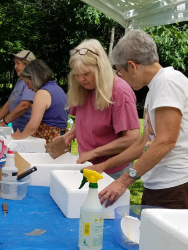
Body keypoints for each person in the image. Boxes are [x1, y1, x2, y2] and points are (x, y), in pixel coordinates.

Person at [89, 30, 188, 210]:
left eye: (120, 71)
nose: (120, 77)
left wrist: (123, 181)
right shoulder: (157, 86)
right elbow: (145, 142)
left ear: (132, 65)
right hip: (161, 187)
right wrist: (103, 165)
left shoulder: (168, 83)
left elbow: (165, 141)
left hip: (177, 189)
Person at [58, 39, 140, 179]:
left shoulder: (120, 91)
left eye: (86, 73)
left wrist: (94, 152)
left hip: (112, 169)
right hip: (87, 163)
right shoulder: (83, 88)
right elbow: (84, 122)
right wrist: (68, 136)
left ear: (100, 68)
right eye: (77, 74)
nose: (81, 79)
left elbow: (132, 139)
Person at [11, 59, 69, 143]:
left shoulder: (42, 93)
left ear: (34, 78)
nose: (28, 87)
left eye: (28, 83)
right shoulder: (57, 89)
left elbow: (33, 125)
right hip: (61, 139)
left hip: (49, 140)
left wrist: (20, 136)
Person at [0, 50, 36, 132]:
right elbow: (9, 103)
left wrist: (4, 122)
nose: (15, 67)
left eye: (18, 63)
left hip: (29, 133)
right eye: (15, 63)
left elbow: (24, 105)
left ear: (27, 65)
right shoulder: (20, 81)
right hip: (18, 131)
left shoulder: (31, 81)